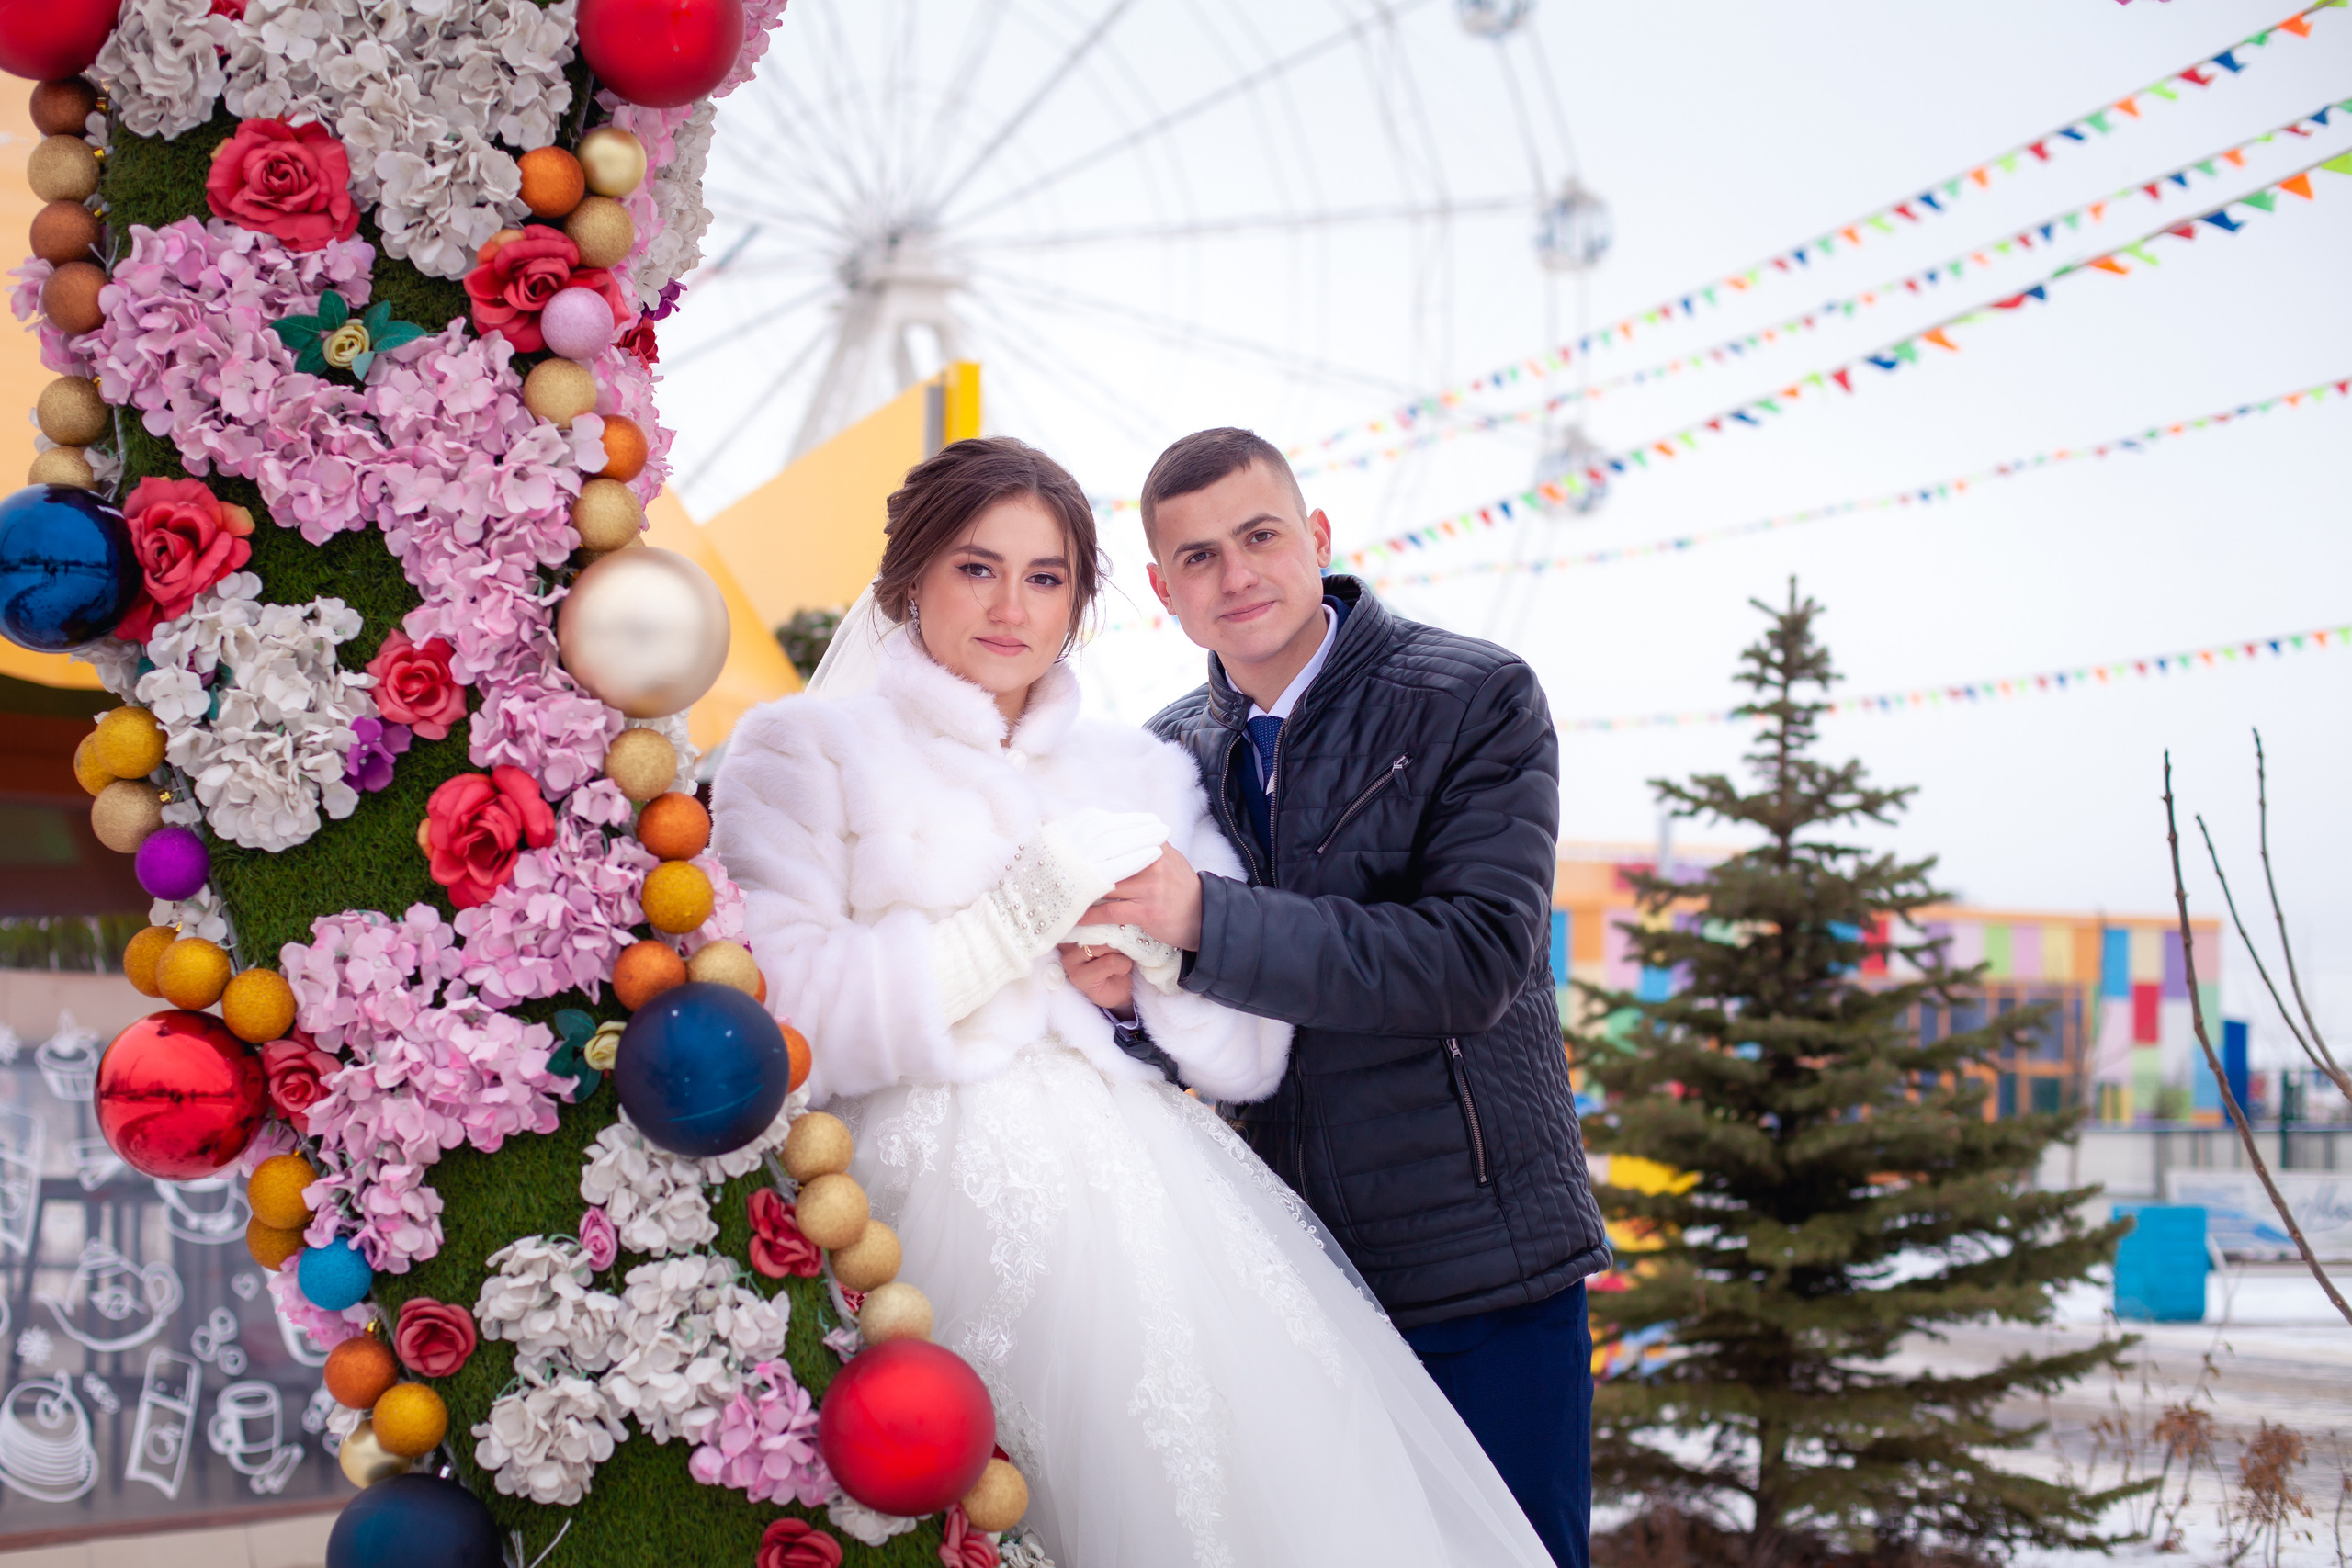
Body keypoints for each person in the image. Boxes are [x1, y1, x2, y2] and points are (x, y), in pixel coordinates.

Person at [712, 436, 1553, 1568]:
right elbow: (787, 1020)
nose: (1011, 606)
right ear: (909, 577)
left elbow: (1252, 1049)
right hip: (905, 1200)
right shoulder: (802, 748)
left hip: (1167, 1204)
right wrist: (1006, 928)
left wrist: (1148, 974)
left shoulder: (1141, 767)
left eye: (1046, 576)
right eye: (975, 567)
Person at [1090, 427, 1609, 1568]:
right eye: (1197, 557)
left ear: (1316, 540)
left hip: (1478, 1266)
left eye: (1261, 537)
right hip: (1284, 1278)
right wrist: (1130, 1000)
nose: (1236, 576)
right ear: (1162, 593)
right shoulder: (1160, 756)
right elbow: (1201, 1034)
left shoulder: (1471, 698)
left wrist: (1199, 924)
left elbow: (1471, 960)